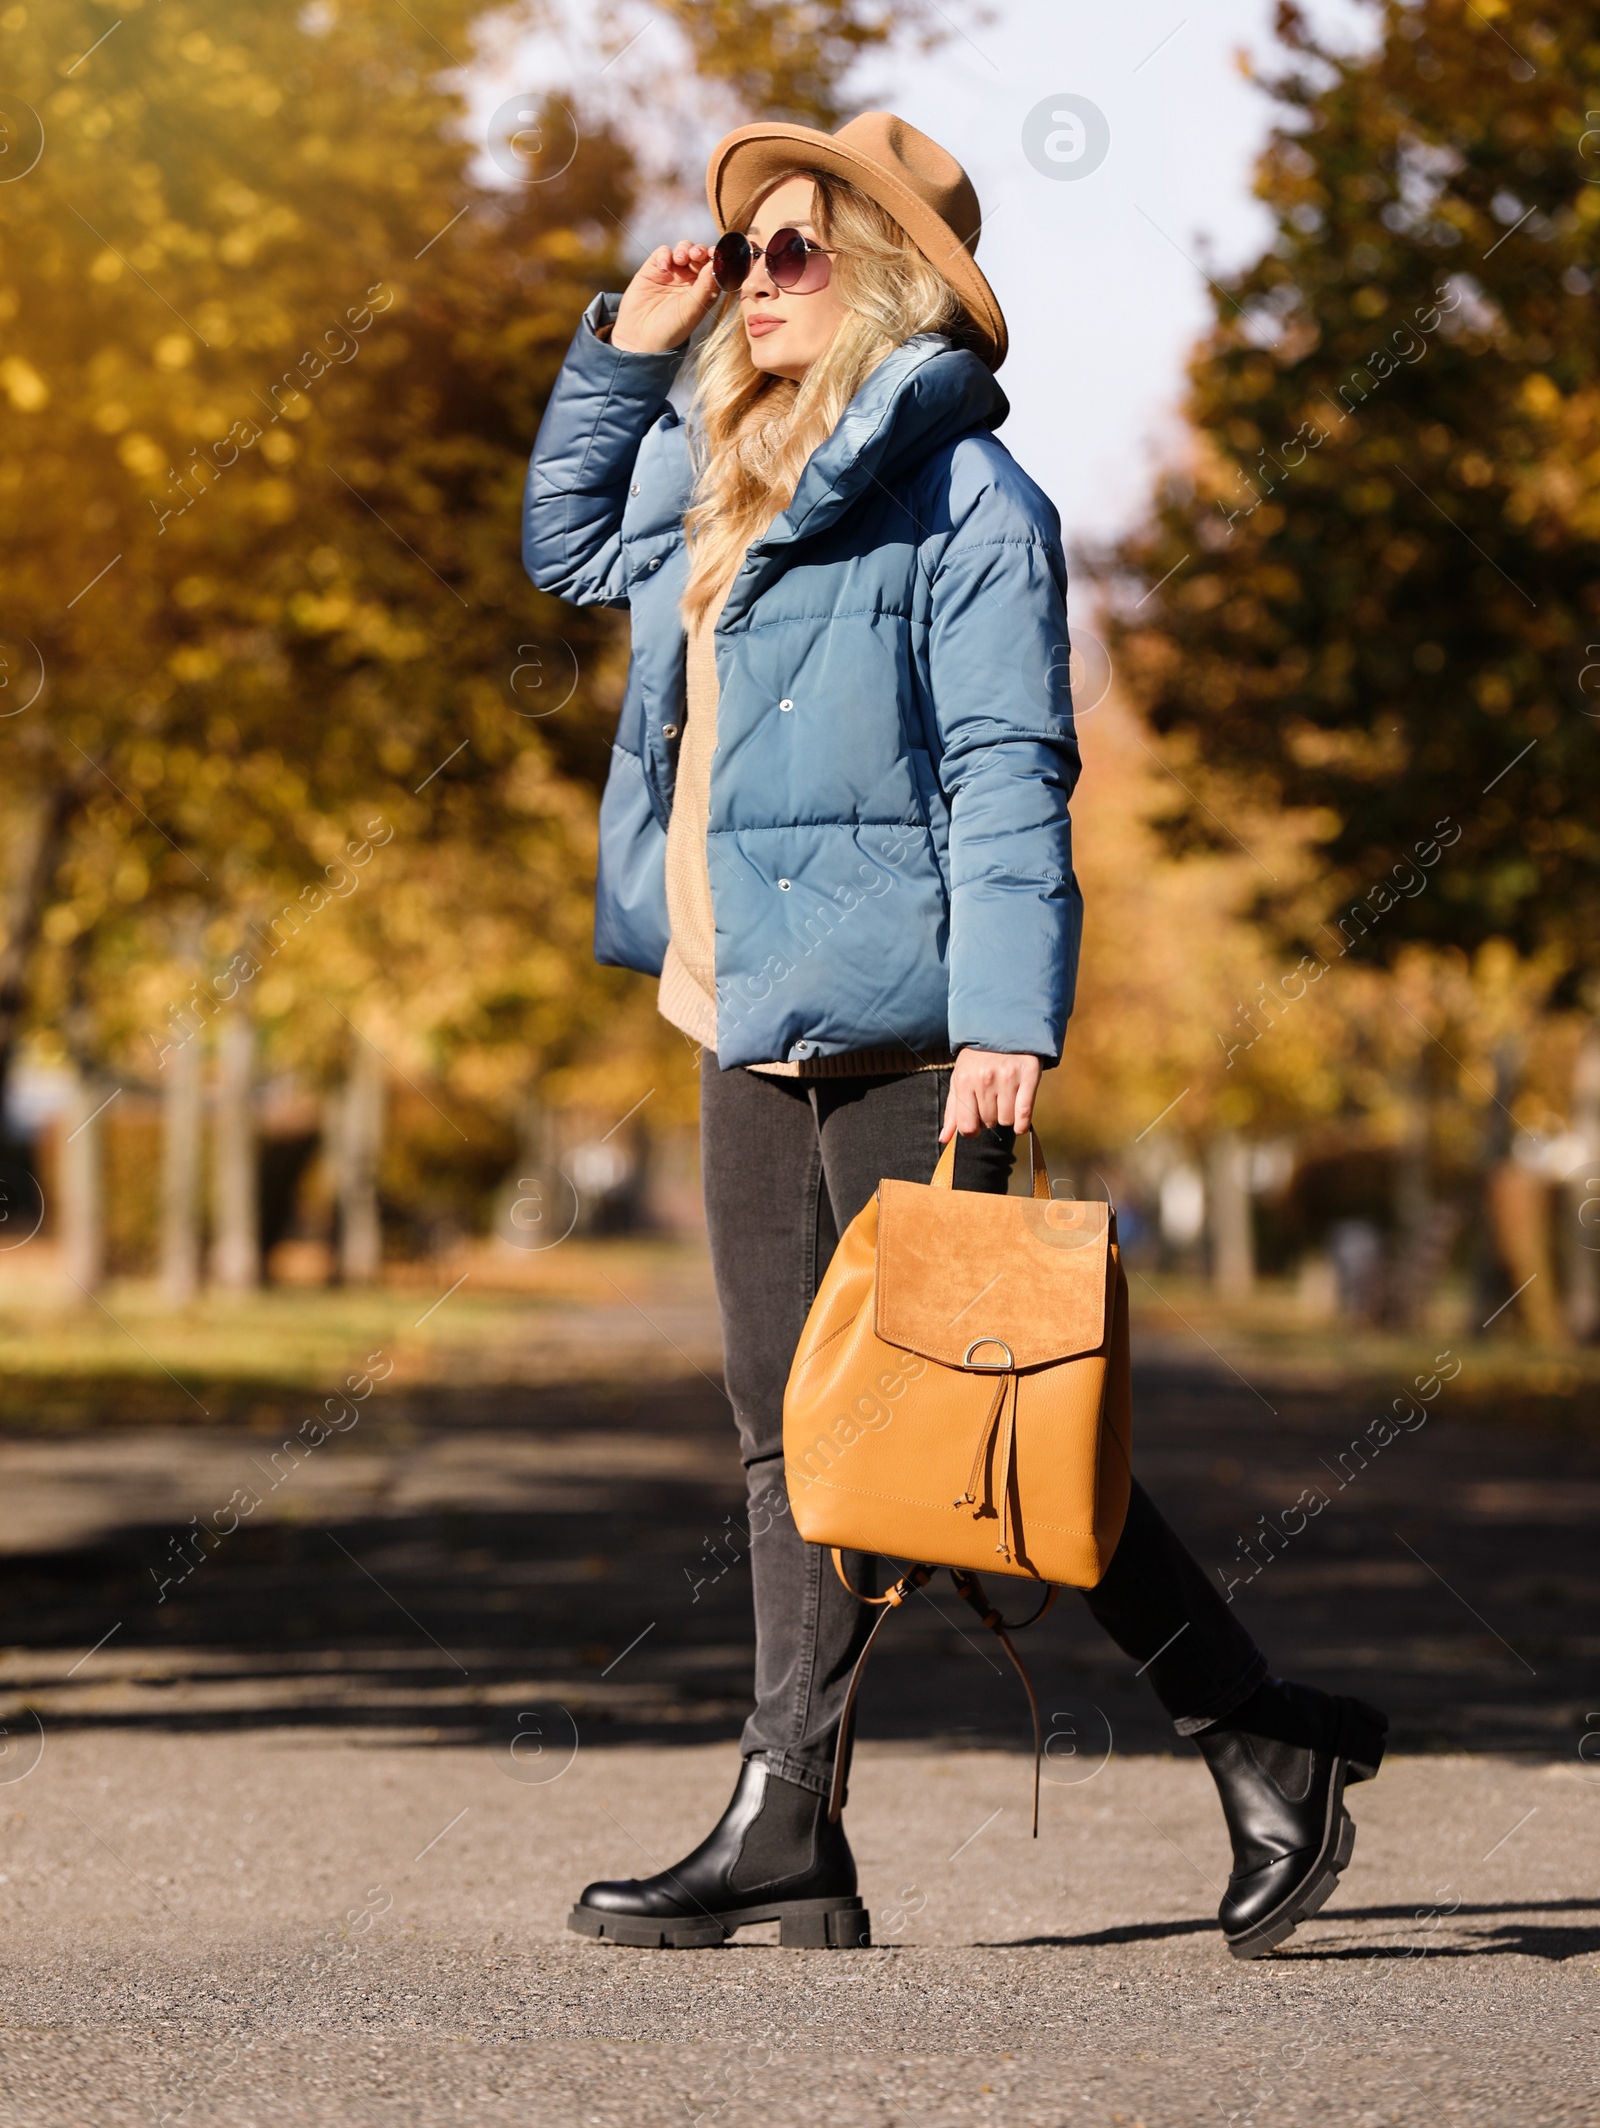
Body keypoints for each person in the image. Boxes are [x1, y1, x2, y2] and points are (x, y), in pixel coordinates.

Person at [521, 111, 1386, 1959]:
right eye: (745, 246)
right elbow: (563, 552)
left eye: (797, 251)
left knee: (984, 1429)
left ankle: (1254, 1740)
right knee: (787, 1436)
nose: (759, 274)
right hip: (744, 1013)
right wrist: (626, 347)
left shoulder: (973, 503)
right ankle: (796, 1828)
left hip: (916, 1026)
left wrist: (1009, 1017)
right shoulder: (722, 469)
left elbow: (1011, 768)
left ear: (889, 279)